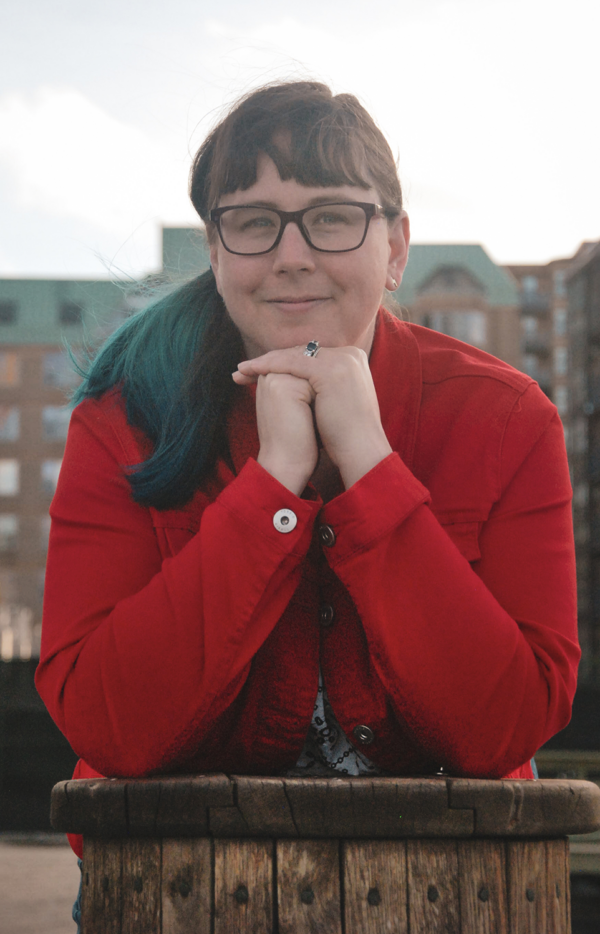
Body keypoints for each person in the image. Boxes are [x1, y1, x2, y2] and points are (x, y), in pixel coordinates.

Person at [36, 81, 579, 870]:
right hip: (177, 885)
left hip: (450, 885)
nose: (292, 256)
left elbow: (506, 723)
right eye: (254, 223)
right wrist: (273, 486)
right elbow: (106, 722)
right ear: (217, 253)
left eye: (331, 216)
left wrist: (371, 465)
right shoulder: (123, 417)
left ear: (394, 248)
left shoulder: (508, 420)